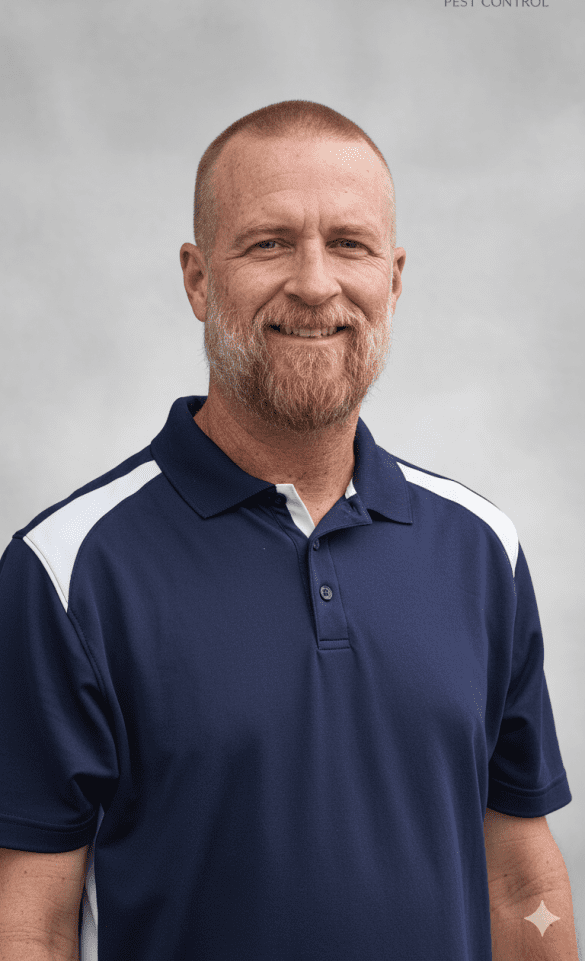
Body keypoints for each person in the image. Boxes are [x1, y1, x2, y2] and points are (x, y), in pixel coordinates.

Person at [0, 100, 579, 961]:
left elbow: (519, 885)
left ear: (393, 276)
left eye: (349, 244)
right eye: (268, 243)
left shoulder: (480, 550)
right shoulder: (68, 569)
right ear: (198, 279)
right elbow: (31, 925)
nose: (314, 285)